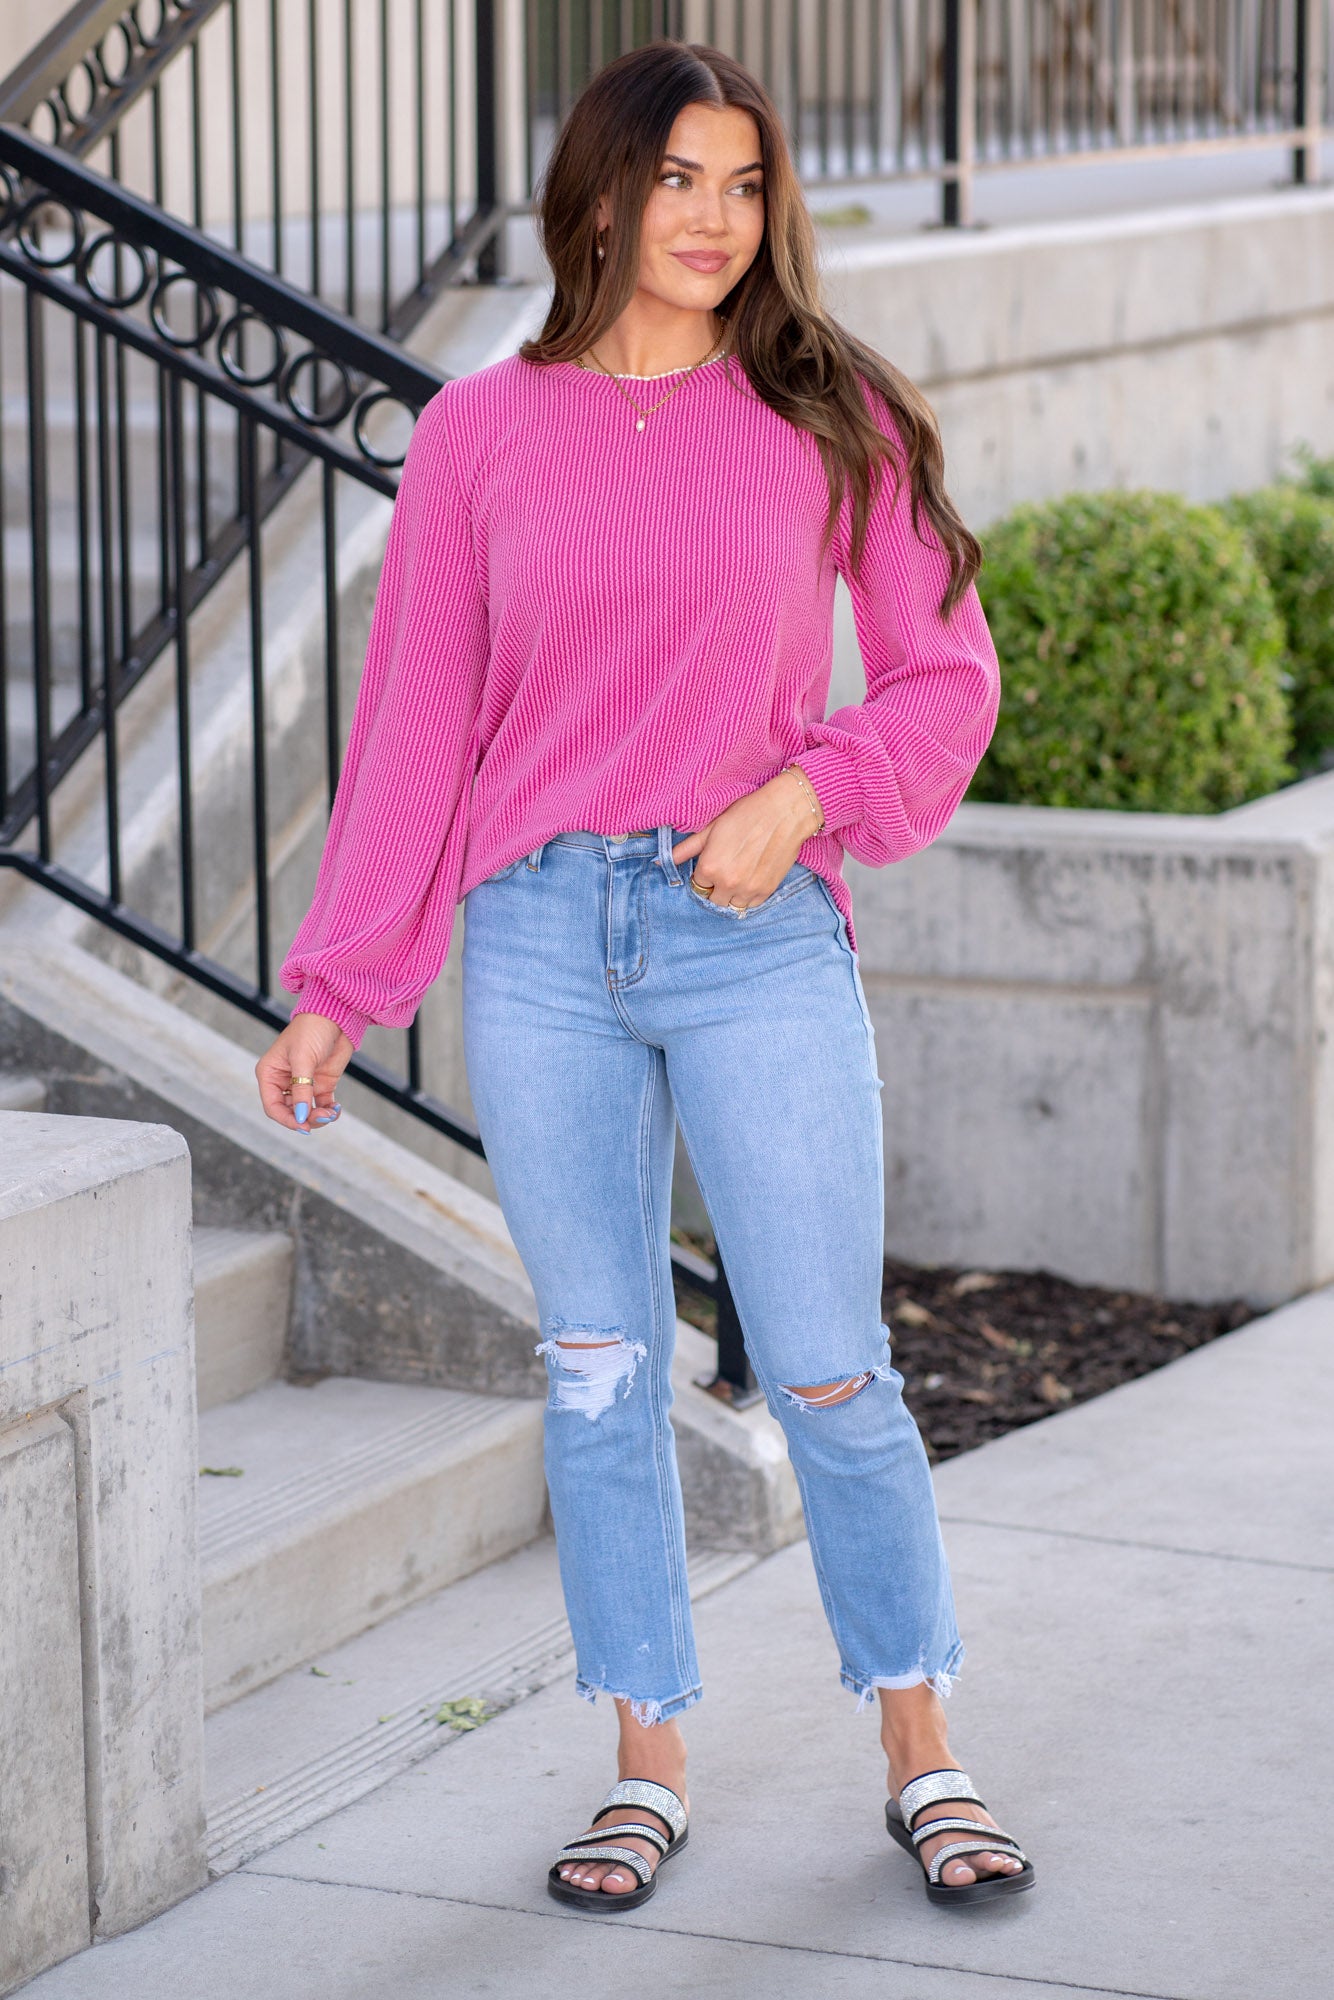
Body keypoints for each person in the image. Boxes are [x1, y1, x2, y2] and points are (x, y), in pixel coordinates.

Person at [255, 40, 1033, 1914]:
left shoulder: (825, 407)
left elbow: (944, 677)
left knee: (830, 1367)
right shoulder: (478, 433)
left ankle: (922, 1750)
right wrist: (341, 982)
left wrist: (803, 792)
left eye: (744, 184)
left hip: (751, 932)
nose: (714, 218)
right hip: (537, 943)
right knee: (600, 1372)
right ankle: (645, 1763)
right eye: (677, 177)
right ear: (596, 194)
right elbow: (418, 720)